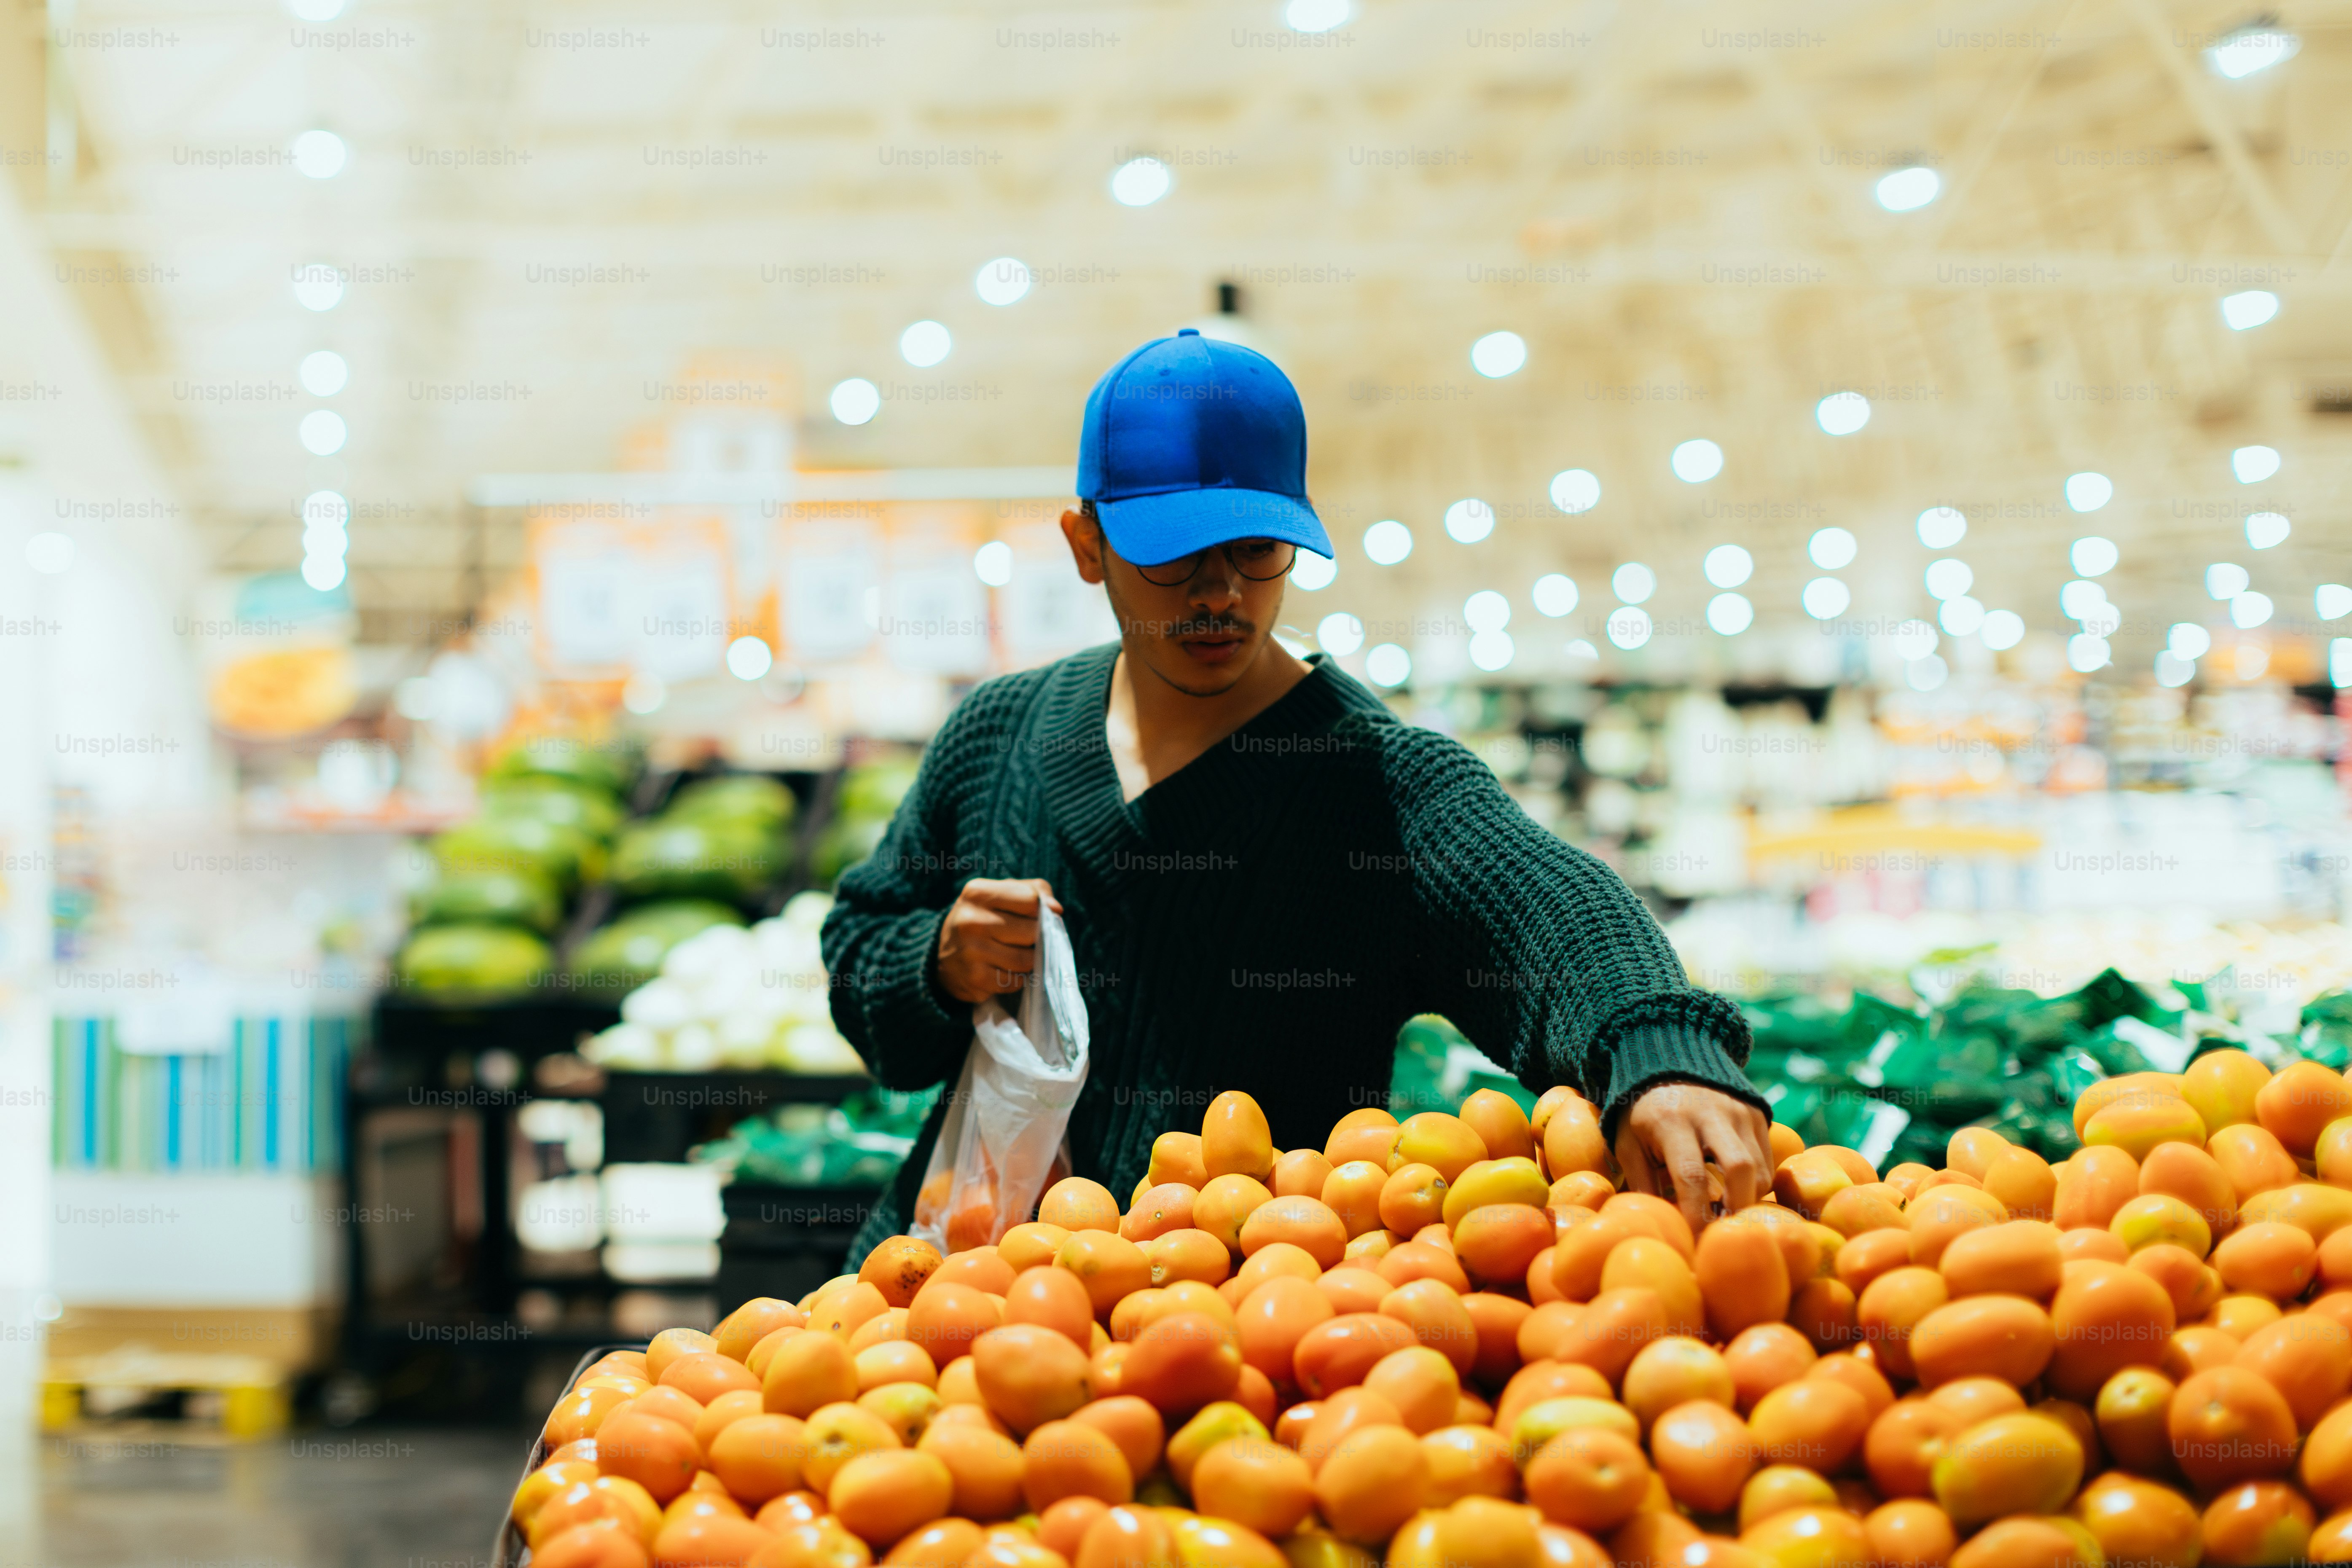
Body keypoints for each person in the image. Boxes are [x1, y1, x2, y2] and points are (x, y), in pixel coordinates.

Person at [822, 328, 1770, 1257]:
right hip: (943, 1291)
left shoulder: (1378, 784)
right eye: (1174, 555)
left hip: (1238, 1342)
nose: (1220, 593)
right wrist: (936, 966)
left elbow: (1548, 905)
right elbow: (861, 949)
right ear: (1086, 543)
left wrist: (1657, 1046)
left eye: (1256, 551)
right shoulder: (999, 737)